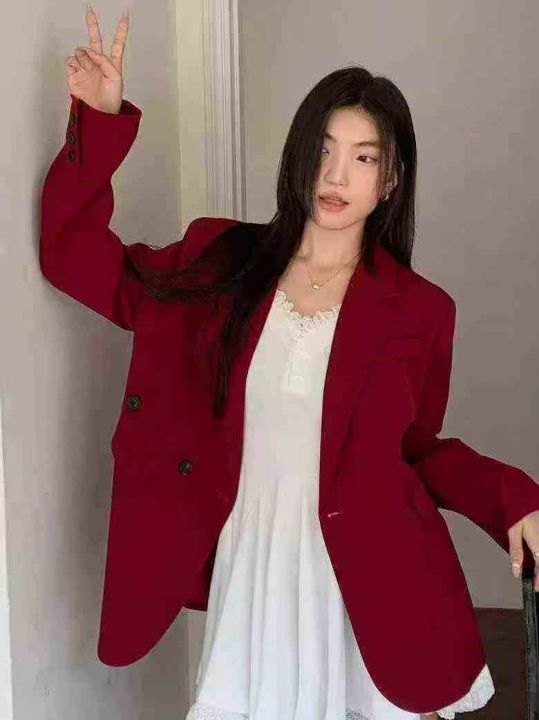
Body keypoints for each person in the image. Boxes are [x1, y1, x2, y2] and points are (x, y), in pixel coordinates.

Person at [40, 7, 539, 720]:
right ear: (298, 157)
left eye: (364, 157)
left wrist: (513, 498)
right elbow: (74, 259)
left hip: (371, 577)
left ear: (391, 179)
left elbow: (416, 451)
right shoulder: (218, 262)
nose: (336, 175)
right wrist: (99, 120)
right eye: (323, 150)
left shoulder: (420, 310)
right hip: (256, 568)